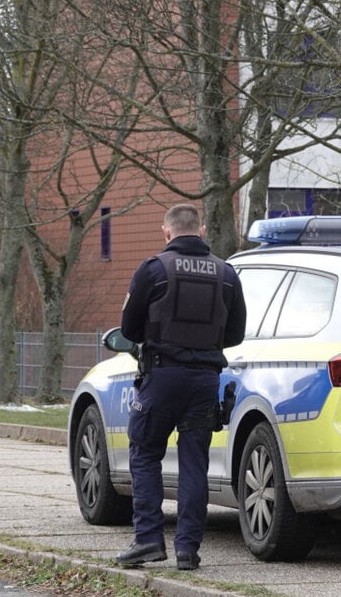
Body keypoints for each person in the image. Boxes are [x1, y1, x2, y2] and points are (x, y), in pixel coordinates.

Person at [116, 204, 247, 571]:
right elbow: (235, 334)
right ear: (201, 230)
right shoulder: (226, 273)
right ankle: (188, 550)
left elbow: (128, 329)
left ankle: (148, 541)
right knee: (194, 465)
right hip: (205, 381)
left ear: (166, 232)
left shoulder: (154, 269)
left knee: (144, 453)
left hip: (162, 377)